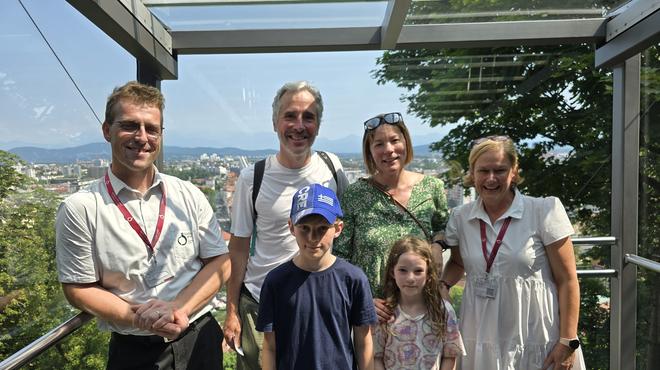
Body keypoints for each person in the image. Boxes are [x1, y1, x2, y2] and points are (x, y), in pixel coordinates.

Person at [55, 81, 230, 369]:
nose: (142, 137)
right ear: (106, 130)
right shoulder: (81, 207)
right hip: (133, 351)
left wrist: (178, 308)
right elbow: (77, 287)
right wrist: (138, 317)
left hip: (200, 337)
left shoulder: (187, 194)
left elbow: (220, 261)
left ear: (161, 134)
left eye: (152, 128)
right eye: (130, 126)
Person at [223, 81, 349, 369]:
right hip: (260, 302)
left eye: (309, 117)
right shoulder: (252, 178)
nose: (299, 125)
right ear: (275, 122)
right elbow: (239, 248)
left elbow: (344, 230)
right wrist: (232, 311)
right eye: (290, 116)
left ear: (318, 124)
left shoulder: (332, 169)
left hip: (319, 301)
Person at [441, 135, 586, 370]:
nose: (490, 178)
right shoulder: (461, 217)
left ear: (514, 171)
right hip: (480, 331)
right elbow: (457, 264)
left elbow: (568, 280)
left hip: (535, 334)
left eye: (499, 170)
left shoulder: (543, 210)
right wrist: (443, 285)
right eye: (483, 170)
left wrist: (568, 341)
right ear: (472, 173)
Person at [334, 112, 449, 321]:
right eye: (379, 144)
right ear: (369, 151)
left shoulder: (433, 188)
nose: (388, 149)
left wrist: (438, 246)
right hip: (372, 314)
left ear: (406, 141)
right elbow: (339, 257)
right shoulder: (355, 195)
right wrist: (362, 299)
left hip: (420, 311)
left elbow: (444, 229)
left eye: (395, 140)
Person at [257, 183, 377, 370]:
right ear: (291, 227)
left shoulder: (353, 279)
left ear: (338, 228)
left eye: (322, 228)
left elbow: (364, 342)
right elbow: (269, 346)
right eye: (304, 228)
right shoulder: (276, 281)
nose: (313, 238)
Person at [374, 236, 465, 370]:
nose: (410, 278)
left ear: (428, 274)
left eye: (418, 271)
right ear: (393, 272)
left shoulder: (444, 310)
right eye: (403, 270)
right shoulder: (384, 312)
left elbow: (450, 355)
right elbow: (376, 357)